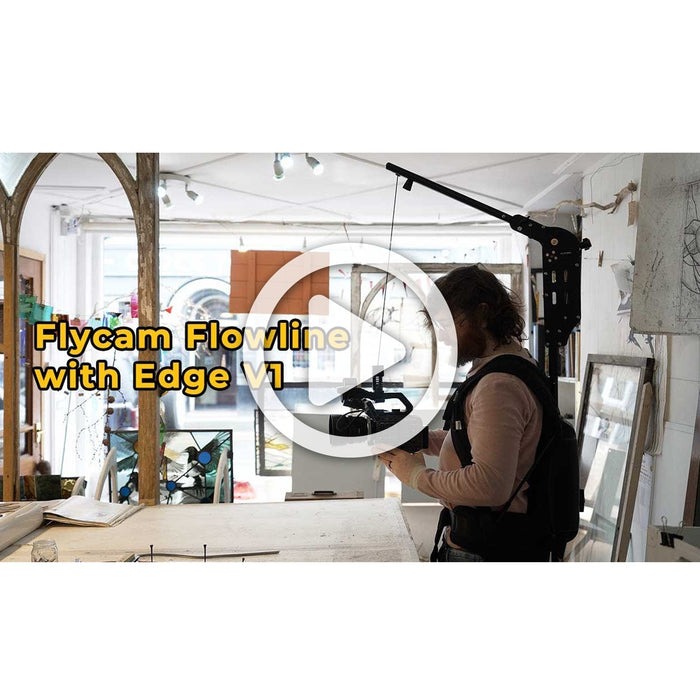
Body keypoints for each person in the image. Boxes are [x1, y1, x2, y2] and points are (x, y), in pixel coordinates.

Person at [378, 265, 549, 562]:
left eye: (448, 324)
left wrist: (416, 475)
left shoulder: (499, 385)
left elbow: (489, 484)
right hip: (488, 540)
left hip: (489, 549)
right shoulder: (510, 364)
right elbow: (480, 441)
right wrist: (422, 439)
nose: (442, 337)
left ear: (482, 314)